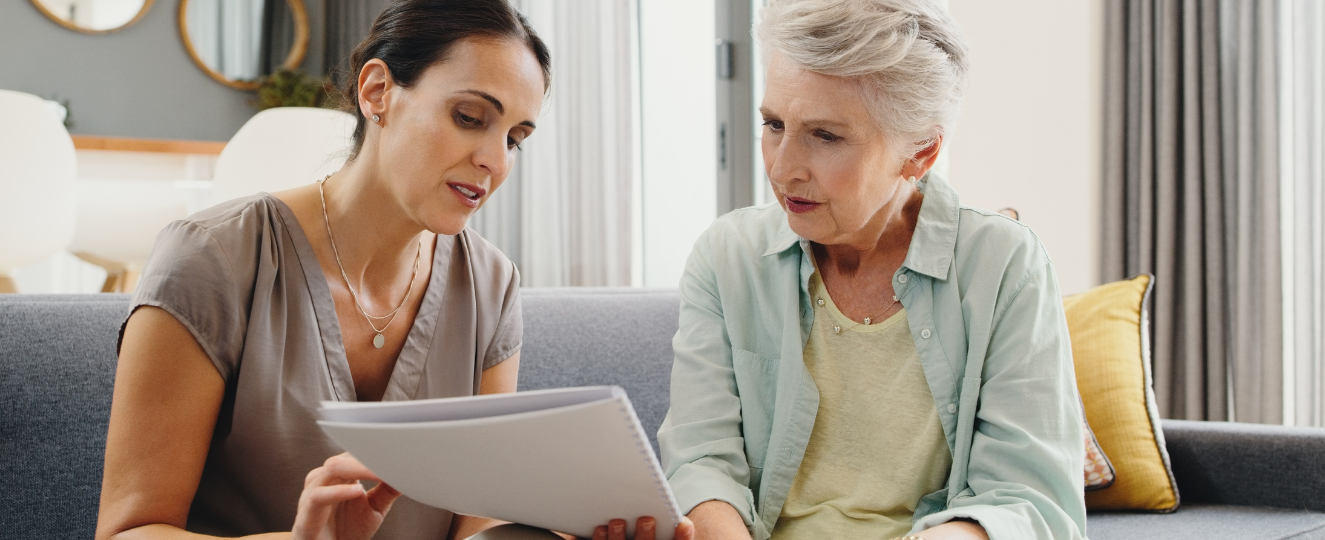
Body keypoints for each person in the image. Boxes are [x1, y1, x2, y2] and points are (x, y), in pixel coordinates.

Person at [94, 1, 602, 539]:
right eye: (469, 118)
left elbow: (481, 521)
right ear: (377, 92)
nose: (496, 162)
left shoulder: (492, 286)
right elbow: (129, 531)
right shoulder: (211, 259)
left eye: (515, 139)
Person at [658, 1, 1088, 539]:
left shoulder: (1005, 267)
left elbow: (1029, 502)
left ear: (921, 153)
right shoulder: (728, 257)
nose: (782, 168)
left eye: (825, 136)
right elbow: (701, 463)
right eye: (774, 124)